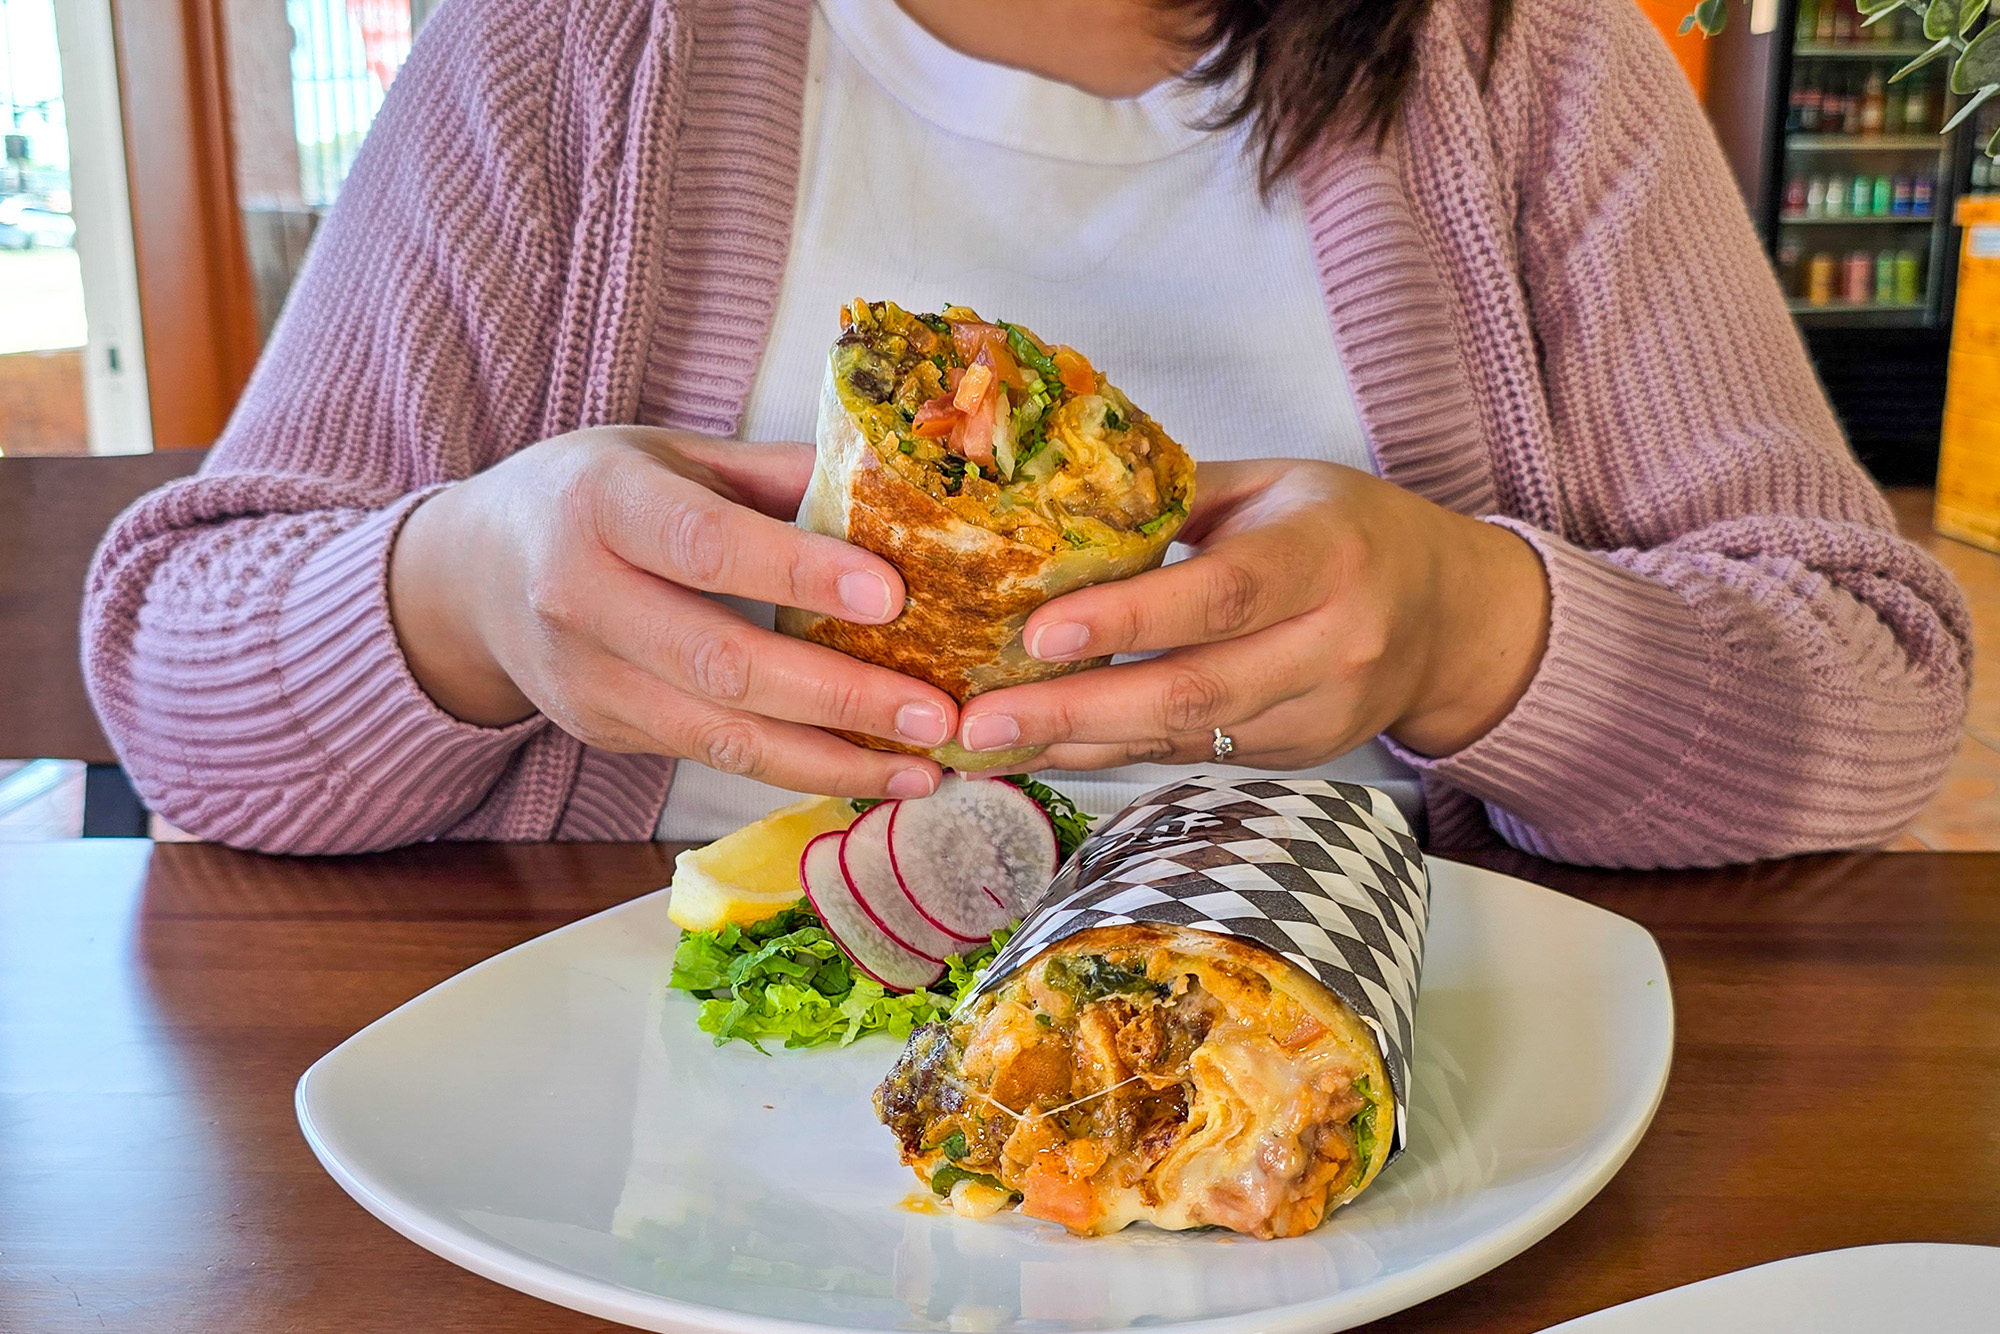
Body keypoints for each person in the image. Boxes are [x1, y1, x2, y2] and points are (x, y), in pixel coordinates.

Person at [83, 0, 1969, 867]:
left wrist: (1473, 631)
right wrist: (475, 589)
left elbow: (1878, 677)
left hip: (1369, 1091)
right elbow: (178, 668)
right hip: (640, 1086)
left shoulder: (1524, 59)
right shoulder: (570, 48)